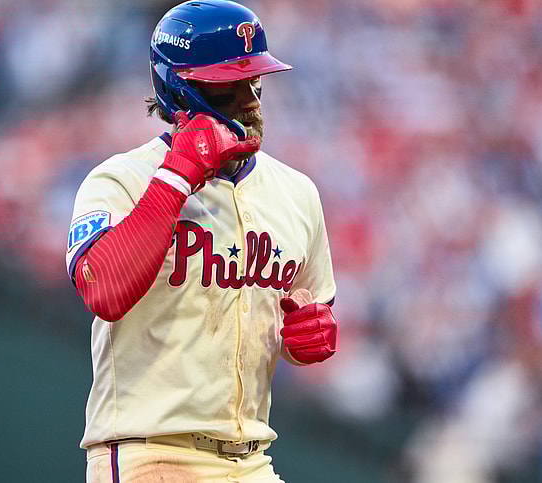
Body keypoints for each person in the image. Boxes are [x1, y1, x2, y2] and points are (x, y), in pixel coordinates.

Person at [65, 1, 338, 481]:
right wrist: (176, 178)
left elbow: (307, 314)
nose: (251, 100)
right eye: (230, 86)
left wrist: (306, 335)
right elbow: (104, 291)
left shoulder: (298, 193)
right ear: (180, 88)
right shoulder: (120, 180)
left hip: (252, 458)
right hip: (150, 453)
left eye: (256, 81)